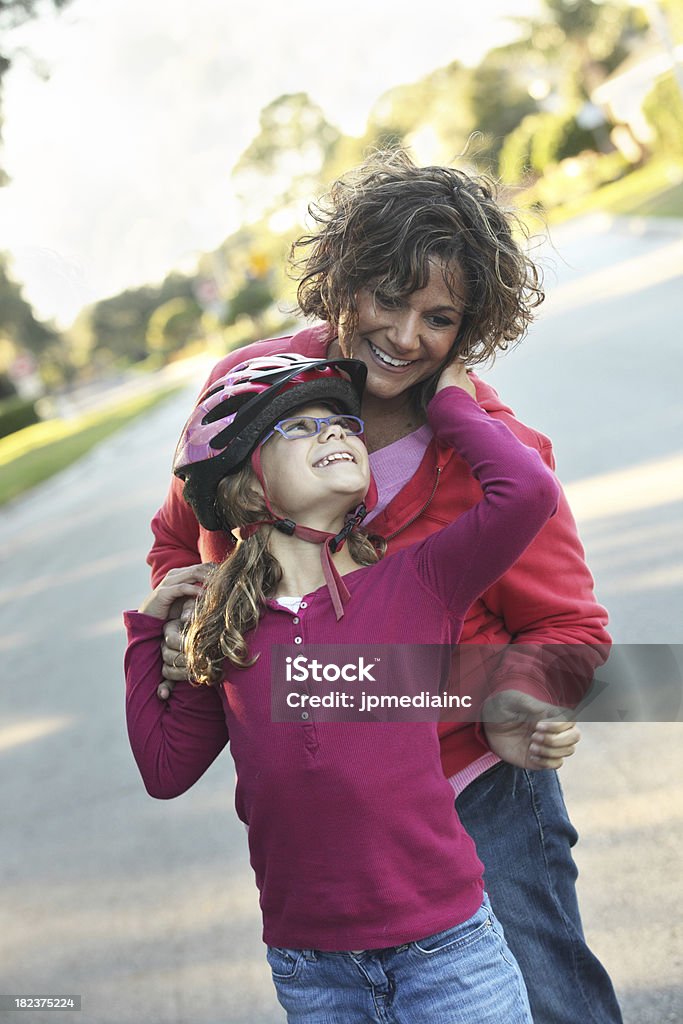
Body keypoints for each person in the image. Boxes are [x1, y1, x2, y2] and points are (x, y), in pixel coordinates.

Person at [148, 150, 622, 1023]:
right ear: (341, 279)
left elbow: (566, 626)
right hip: (329, 823)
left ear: (469, 327)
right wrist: (188, 619)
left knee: (545, 998)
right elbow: (183, 539)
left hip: (475, 787)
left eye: (438, 317)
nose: (406, 336)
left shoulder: (495, 455)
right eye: (387, 297)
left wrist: (520, 695)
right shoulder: (249, 393)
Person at [126, 353, 576, 1023]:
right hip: (312, 970)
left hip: (449, 950)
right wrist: (148, 628)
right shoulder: (223, 627)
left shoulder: (419, 581)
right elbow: (164, 769)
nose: (336, 432)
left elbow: (526, 492)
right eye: (300, 428)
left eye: (342, 421)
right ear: (245, 490)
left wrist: (453, 409)